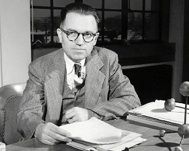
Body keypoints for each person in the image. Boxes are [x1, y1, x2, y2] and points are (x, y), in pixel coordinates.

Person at [17, 2, 141, 145]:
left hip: (93, 143)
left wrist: (91, 113)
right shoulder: (40, 66)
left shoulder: (108, 59)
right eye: (72, 33)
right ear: (60, 35)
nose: (80, 42)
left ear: (95, 38)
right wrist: (38, 129)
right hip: (53, 145)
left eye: (88, 34)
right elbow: (26, 113)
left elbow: (131, 100)